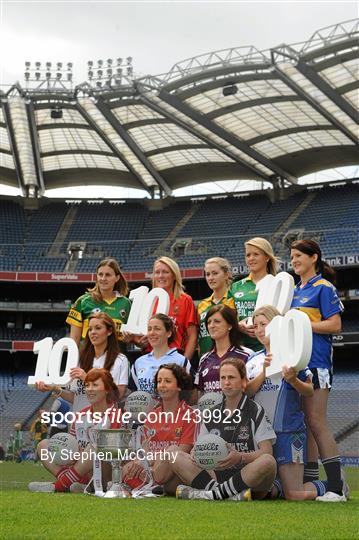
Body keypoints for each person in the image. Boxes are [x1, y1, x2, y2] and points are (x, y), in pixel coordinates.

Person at [247, 305, 329, 501]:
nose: (259, 330)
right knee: (262, 492)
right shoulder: (252, 360)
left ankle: (334, 484)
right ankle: (278, 485)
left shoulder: (292, 355)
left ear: (277, 326)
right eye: (256, 325)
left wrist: (293, 380)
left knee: (294, 494)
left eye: (264, 324)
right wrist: (264, 372)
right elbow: (247, 391)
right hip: (261, 436)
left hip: (288, 432)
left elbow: (309, 390)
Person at [172, 358, 277, 501]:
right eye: (223, 378)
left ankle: (213, 494)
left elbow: (267, 451)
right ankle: (222, 493)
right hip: (216, 476)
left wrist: (239, 457)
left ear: (243, 382)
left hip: (248, 477)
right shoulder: (210, 414)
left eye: (232, 377)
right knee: (175, 455)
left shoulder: (255, 410)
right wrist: (196, 455)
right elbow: (199, 448)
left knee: (268, 461)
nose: (226, 382)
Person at [290, 239, 346, 502]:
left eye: (299, 255)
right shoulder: (292, 290)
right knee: (304, 423)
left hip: (318, 363)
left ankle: (336, 486)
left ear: (314, 258)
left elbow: (335, 325)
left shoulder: (324, 287)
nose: (294, 260)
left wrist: (302, 325)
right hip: (297, 363)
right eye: (291, 257)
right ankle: (312, 480)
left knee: (316, 421)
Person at [29, 368, 121, 493]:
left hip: (105, 472)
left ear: (107, 390)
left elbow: (114, 453)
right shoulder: (80, 415)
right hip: (80, 469)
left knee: (95, 446)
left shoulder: (115, 415)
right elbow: (71, 442)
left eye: (95, 385)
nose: (89, 389)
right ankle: (79, 484)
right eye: (87, 385)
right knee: (44, 445)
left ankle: (59, 485)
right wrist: (73, 452)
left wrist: (84, 452)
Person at [123, 363, 196, 496]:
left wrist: (150, 461)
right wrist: (141, 462)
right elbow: (145, 450)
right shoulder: (152, 415)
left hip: (173, 471)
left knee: (171, 455)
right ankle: (149, 487)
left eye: (167, 381)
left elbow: (183, 451)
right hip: (152, 468)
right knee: (127, 467)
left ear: (179, 386)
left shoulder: (190, 415)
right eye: (159, 381)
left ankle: (142, 487)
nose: (162, 385)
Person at [36, 312, 129, 410]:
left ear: (109, 331)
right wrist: (54, 389)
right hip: (78, 421)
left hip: (104, 422)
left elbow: (116, 396)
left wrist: (87, 379)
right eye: (90, 329)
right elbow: (75, 397)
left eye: (98, 328)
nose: (92, 332)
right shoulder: (79, 359)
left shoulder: (120, 360)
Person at [66, 258, 131, 347]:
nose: (103, 278)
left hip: (116, 358)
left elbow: (129, 338)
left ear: (117, 278)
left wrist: (129, 339)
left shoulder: (126, 304)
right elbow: (75, 338)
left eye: (108, 275)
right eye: (100, 274)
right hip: (89, 358)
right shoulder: (83, 301)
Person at [231, 237, 279, 351]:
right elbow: (227, 318)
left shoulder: (278, 284)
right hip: (242, 349)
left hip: (271, 348)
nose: (251, 258)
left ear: (267, 257)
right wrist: (238, 326)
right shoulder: (235, 287)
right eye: (248, 255)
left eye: (256, 254)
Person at [195, 305, 252, 395]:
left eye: (217, 321)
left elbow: (251, 389)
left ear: (230, 325)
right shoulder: (204, 359)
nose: (211, 326)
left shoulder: (247, 354)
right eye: (209, 322)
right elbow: (200, 394)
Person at [130, 314, 190, 395]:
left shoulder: (181, 361)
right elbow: (133, 394)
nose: (152, 333)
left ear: (169, 333)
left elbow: (189, 395)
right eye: (149, 329)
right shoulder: (139, 362)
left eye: (157, 329)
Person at [197, 257, 235, 358]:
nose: (210, 278)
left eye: (215, 273)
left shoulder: (235, 300)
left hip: (231, 358)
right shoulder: (202, 305)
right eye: (208, 274)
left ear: (226, 275)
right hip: (206, 360)